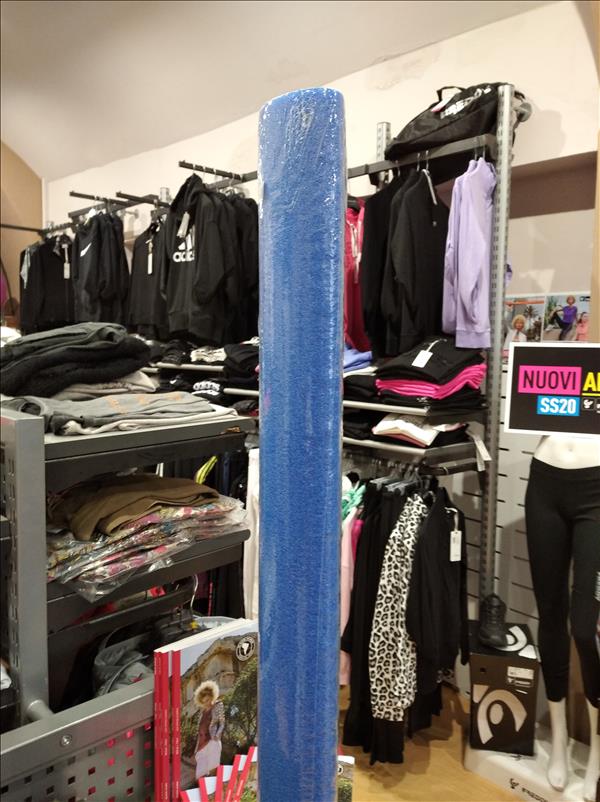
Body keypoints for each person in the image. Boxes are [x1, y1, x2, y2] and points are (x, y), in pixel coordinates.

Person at [194, 680, 225, 779]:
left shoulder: (218, 705)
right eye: (203, 702)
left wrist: (217, 735)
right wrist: (196, 749)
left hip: (212, 741)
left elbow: (222, 723)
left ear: (212, 696)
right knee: (199, 777)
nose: (206, 703)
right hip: (201, 746)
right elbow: (199, 729)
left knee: (213, 773)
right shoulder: (202, 712)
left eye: (207, 700)